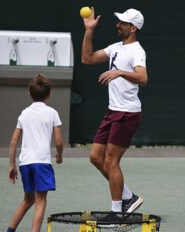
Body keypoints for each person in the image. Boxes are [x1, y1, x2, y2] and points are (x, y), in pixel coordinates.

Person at [81, 8, 148, 213]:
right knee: (95, 157)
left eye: (123, 23)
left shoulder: (137, 51)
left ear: (133, 28)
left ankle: (116, 211)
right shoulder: (115, 47)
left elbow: (143, 78)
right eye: (119, 21)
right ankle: (128, 196)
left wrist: (119, 72)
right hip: (113, 111)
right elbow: (88, 58)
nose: (118, 25)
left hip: (127, 113)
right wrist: (89, 31)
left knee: (111, 161)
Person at [0, 74, 64, 232]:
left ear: (30, 94)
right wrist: (60, 155)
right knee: (40, 201)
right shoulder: (52, 113)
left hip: (25, 163)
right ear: (49, 94)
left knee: (28, 200)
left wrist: (12, 165)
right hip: (41, 163)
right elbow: (59, 141)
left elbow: (13, 142)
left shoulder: (24, 113)